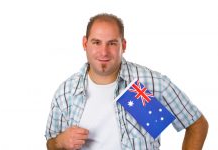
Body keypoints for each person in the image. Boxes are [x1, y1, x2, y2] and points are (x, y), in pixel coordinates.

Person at [45, 13, 208, 150]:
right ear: (85, 43)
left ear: (123, 45)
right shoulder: (66, 92)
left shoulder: (150, 82)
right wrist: (60, 141)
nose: (104, 51)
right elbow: (51, 143)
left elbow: (197, 124)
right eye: (96, 42)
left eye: (112, 43)